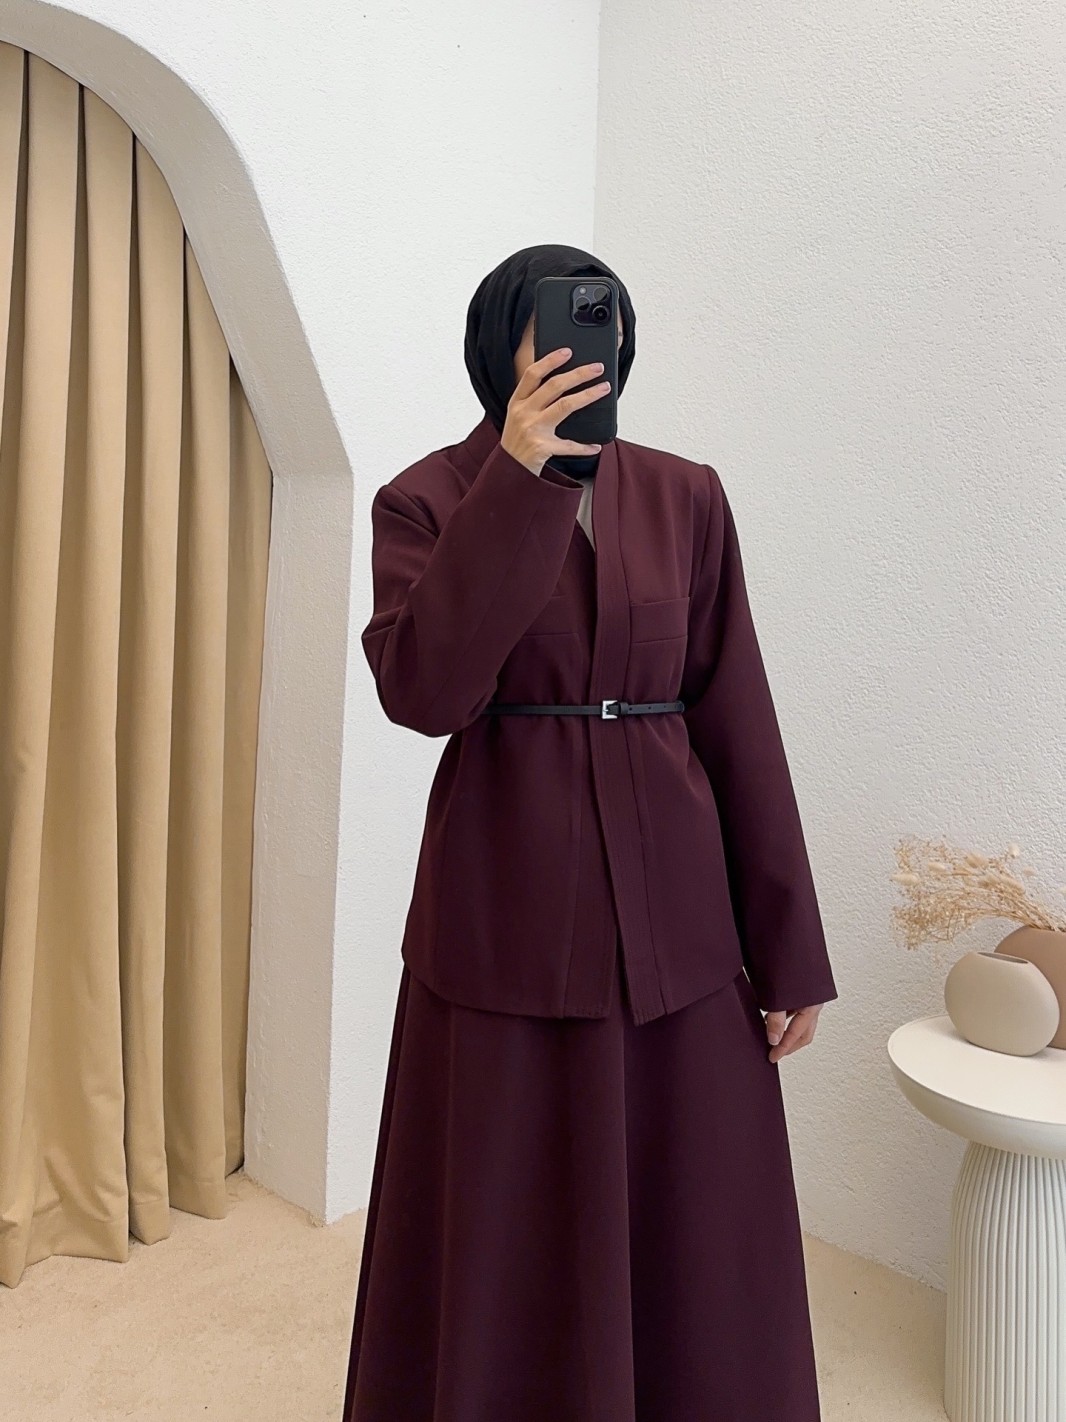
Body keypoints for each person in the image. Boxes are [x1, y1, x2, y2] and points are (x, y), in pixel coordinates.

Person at [342, 243, 839, 1422]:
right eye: (560, 323)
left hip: (678, 921)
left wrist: (789, 948)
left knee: (696, 1213)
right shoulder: (424, 499)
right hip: (503, 911)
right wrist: (518, 481)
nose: (587, 344)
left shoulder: (684, 494)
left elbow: (737, 716)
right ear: (499, 348)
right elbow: (425, 692)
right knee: (509, 1211)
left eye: (604, 321)